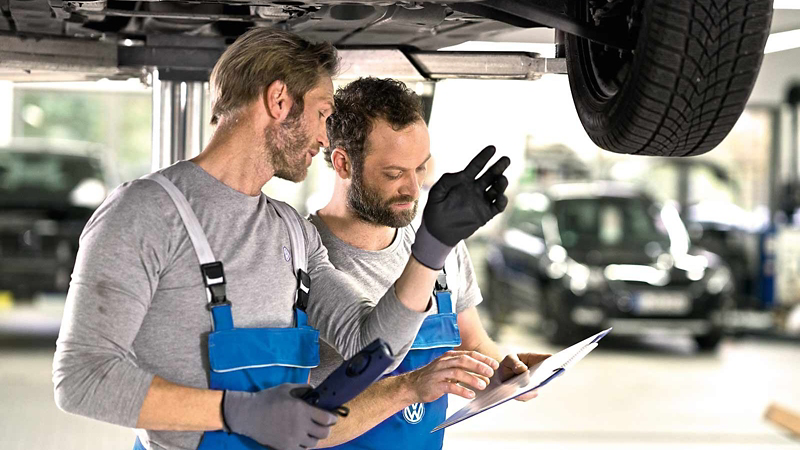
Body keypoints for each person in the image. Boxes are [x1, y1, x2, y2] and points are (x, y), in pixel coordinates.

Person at [52, 31, 511, 450]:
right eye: (322, 113)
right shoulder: (146, 213)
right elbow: (80, 378)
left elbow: (369, 345)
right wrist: (234, 411)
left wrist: (431, 245)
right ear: (278, 101)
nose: (324, 135)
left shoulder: (291, 231)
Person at [308, 77, 550, 449]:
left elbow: (472, 342)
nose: (412, 188)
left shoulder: (442, 244)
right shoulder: (302, 255)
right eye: (393, 174)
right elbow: (290, 421)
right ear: (343, 163)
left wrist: (506, 373)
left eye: (419, 169)